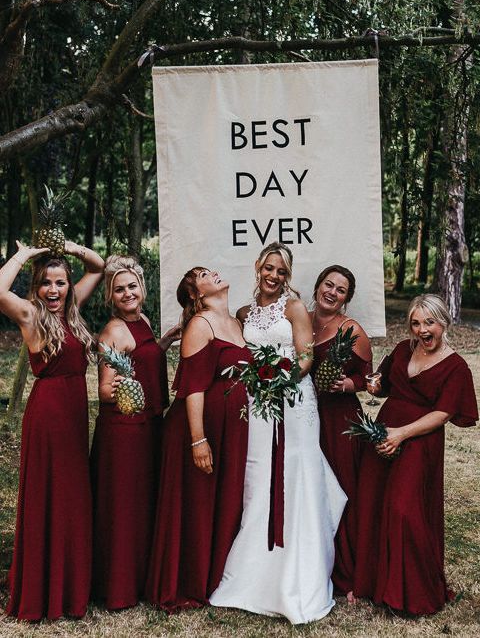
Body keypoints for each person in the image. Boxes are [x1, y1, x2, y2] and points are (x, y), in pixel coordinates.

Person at [209, 242, 347, 624]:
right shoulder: (243, 312)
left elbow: (306, 355)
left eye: (281, 272)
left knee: (293, 474)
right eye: (268, 268)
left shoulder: (295, 308)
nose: (273, 276)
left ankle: (296, 573)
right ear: (257, 266)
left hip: (293, 401)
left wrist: (282, 382)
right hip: (257, 404)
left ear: (288, 276)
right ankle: (256, 569)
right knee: (260, 476)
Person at [353, 294, 479, 615]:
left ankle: (408, 594)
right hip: (383, 434)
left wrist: (401, 434)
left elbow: (443, 414)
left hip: (420, 440)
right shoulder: (401, 350)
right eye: (416, 322)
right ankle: (370, 585)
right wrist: (375, 386)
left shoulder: (456, 367)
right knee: (373, 503)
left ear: (443, 323)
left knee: (404, 509)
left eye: (429, 322)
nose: (422, 329)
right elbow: (383, 386)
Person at [0, 240, 104, 620]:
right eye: (46, 283)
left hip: (75, 413)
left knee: (73, 496)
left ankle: (71, 584)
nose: (54, 290)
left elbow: (98, 267)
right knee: (51, 494)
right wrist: (25, 255)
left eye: (60, 283)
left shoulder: (72, 311)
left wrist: (70, 247)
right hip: (48, 415)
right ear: (36, 288)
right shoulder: (30, 314)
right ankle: (43, 586)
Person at [145, 266, 252, 612]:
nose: (215, 274)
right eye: (205, 274)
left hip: (230, 428)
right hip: (198, 428)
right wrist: (198, 440)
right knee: (197, 502)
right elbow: (192, 387)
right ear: (196, 294)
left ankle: (215, 577)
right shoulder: (199, 325)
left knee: (222, 499)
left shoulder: (236, 323)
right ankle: (188, 581)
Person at [90, 255, 180, 610]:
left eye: (132, 286)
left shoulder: (142, 320)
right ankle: (118, 588)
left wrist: (162, 344)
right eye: (119, 289)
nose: (128, 293)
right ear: (110, 297)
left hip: (150, 425)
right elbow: (103, 389)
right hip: (125, 432)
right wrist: (131, 391)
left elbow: (140, 358)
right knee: (124, 507)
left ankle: (142, 578)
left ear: (142, 288)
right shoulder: (112, 330)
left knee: (144, 503)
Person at [309, 265, 372, 601]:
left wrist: (350, 383)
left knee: (343, 491)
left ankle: (349, 571)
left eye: (341, 290)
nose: (332, 292)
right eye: (328, 285)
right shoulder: (301, 320)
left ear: (347, 298)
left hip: (340, 421)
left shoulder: (352, 329)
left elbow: (371, 380)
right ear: (318, 286)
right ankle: (314, 565)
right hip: (304, 418)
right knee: (311, 492)